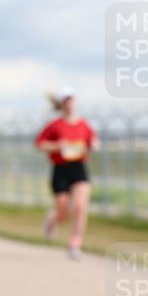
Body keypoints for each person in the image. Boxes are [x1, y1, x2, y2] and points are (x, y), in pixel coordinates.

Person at [34, 91, 98, 260]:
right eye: (66, 100)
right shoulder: (55, 125)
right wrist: (57, 146)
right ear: (62, 104)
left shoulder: (83, 124)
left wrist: (91, 146)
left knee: (80, 206)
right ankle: (53, 221)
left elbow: (93, 141)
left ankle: (75, 244)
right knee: (63, 210)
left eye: (71, 99)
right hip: (60, 169)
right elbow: (39, 144)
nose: (69, 103)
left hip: (78, 168)